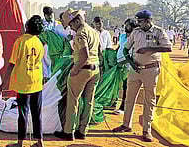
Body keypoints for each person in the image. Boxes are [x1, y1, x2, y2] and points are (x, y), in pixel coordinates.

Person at [112, 10, 172, 142]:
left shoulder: (158, 32)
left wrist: (149, 49)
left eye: (140, 21)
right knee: (129, 98)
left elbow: (168, 47)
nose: (138, 23)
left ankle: (146, 129)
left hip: (151, 69)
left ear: (148, 20)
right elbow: (126, 49)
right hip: (135, 69)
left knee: (149, 100)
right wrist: (131, 63)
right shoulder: (136, 32)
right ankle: (126, 124)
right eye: (138, 21)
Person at [55, 9, 100, 141]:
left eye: (71, 24)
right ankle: (83, 131)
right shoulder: (93, 31)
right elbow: (98, 51)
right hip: (95, 69)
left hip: (83, 70)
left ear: (77, 20)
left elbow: (84, 54)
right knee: (89, 101)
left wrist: (75, 69)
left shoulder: (81, 33)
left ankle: (69, 131)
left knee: (73, 100)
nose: (70, 27)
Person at [5, 15, 45, 147]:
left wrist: (3, 82)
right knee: (36, 113)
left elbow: (12, 64)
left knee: (23, 113)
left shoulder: (20, 41)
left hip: (23, 82)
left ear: (27, 26)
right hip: (37, 82)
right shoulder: (39, 42)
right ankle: (40, 142)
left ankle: (20, 142)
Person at [113, 18, 138, 115]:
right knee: (117, 85)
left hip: (127, 66)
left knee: (125, 86)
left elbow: (131, 54)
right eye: (125, 25)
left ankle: (123, 107)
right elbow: (120, 47)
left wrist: (123, 62)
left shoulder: (134, 39)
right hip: (118, 65)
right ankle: (113, 103)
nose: (125, 27)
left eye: (127, 25)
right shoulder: (122, 36)